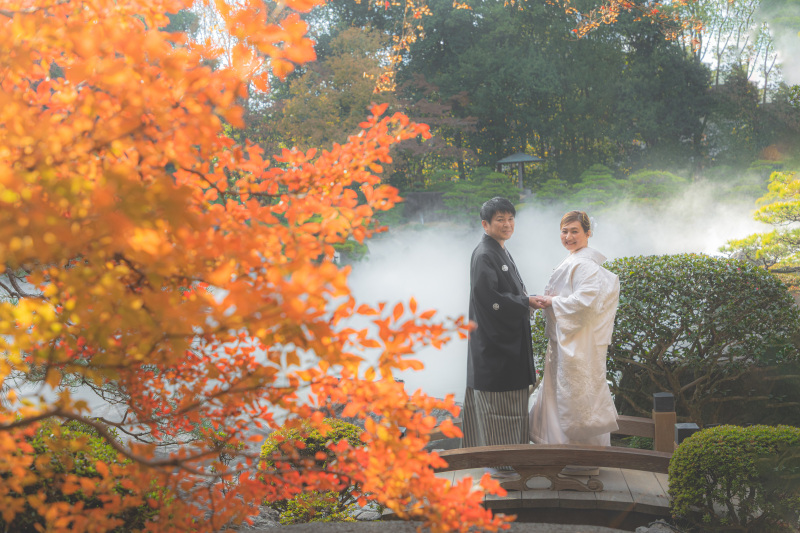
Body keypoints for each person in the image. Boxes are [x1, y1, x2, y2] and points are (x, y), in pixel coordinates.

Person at [529, 210, 619, 475]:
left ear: (588, 233)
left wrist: (552, 302)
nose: (568, 237)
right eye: (564, 231)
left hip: (574, 343)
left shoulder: (585, 265)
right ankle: (562, 454)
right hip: (568, 340)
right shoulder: (576, 261)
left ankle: (579, 458)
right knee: (563, 395)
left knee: (575, 398)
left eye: (574, 231)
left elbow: (586, 303)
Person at [463, 197, 538, 479]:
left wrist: (526, 301)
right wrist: (526, 302)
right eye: (500, 220)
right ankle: (500, 465)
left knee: (508, 405)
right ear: (486, 224)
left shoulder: (498, 250)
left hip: (502, 341)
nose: (507, 225)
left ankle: (509, 461)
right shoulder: (485, 253)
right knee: (498, 405)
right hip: (495, 346)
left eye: (510, 219)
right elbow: (489, 299)